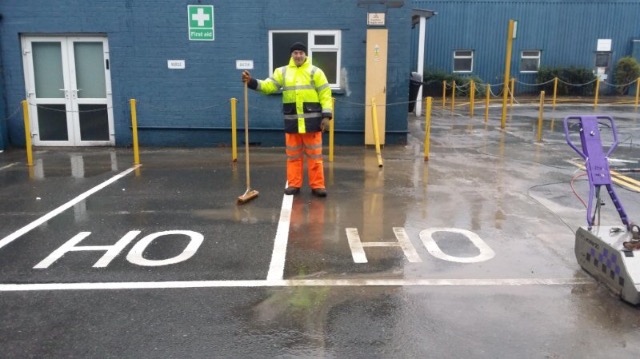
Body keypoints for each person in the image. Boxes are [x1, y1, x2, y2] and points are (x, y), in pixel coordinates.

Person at [241, 42, 333, 197]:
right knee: (293, 156)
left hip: (313, 123)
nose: (298, 56)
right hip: (293, 123)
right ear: (292, 55)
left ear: (305, 54)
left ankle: (318, 186)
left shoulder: (316, 72)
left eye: (300, 53)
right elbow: (268, 86)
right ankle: (294, 184)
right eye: (295, 53)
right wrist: (251, 82)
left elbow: (325, 94)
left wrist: (326, 116)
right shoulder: (282, 72)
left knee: (315, 157)